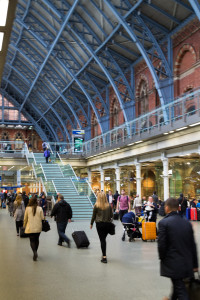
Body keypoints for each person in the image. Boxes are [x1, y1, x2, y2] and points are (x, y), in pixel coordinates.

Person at [158, 197, 198, 300]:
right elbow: (193, 245)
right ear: (178, 208)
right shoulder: (187, 223)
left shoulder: (163, 223)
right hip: (187, 263)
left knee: (181, 292)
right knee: (177, 288)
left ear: (167, 208)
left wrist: (162, 259)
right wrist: (195, 265)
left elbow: (162, 245)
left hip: (174, 264)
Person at [90, 192, 113, 263]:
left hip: (99, 224)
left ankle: (104, 257)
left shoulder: (96, 206)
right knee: (103, 239)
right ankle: (103, 254)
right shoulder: (109, 206)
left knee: (102, 240)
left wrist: (91, 223)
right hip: (107, 224)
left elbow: (93, 216)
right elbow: (112, 215)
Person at [24, 196, 44, 261]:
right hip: (38, 227)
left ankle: (34, 252)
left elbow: (25, 219)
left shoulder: (27, 208)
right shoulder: (40, 208)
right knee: (37, 239)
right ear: (36, 201)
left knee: (32, 241)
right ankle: (36, 252)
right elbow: (42, 218)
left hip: (30, 227)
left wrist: (24, 225)